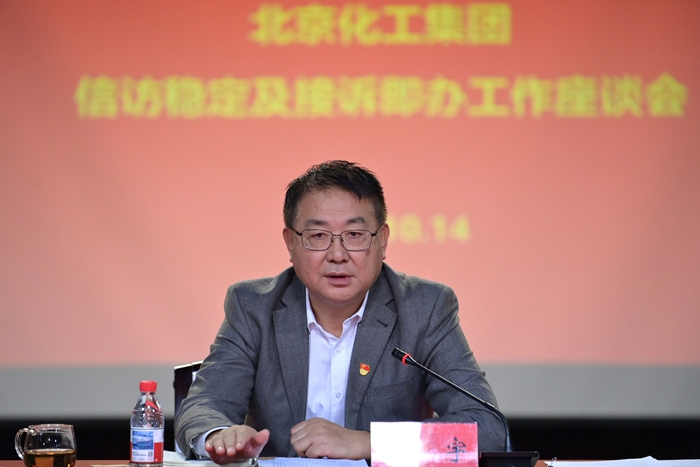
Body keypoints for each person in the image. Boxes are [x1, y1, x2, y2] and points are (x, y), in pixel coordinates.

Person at [175, 160, 506, 463]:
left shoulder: (425, 308)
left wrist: (368, 444)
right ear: (290, 243)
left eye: (355, 235)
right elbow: (204, 407)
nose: (337, 254)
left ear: (382, 240)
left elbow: (487, 429)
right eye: (318, 235)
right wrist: (219, 436)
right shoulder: (253, 307)